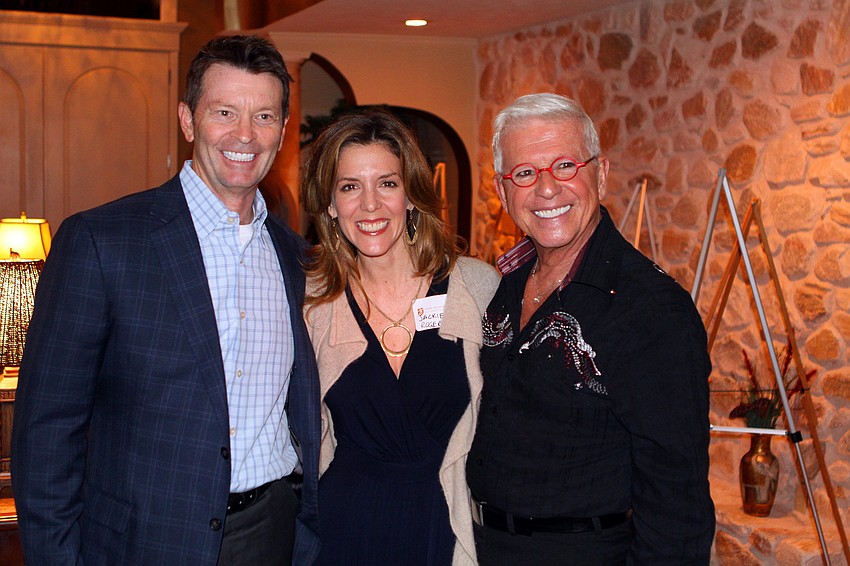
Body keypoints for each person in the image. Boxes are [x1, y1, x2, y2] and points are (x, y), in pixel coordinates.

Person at [11, 35, 321, 566]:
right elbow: (46, 429)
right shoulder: (101, 241)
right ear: (187, 120)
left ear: (283, 130)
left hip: (272, 535)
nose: (245, 135)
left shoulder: (300, 262)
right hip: (139, 542)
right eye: (225, 112)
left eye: (264, 116)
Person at [466, 93, 715, 565]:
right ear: (502, 192)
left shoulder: (650, 309)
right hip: (485, 549)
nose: (545, 189)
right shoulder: (505, 286)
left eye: (564, 166)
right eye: (524, 173)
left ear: (600, 173)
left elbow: (677, 500)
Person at [296, 108, 500, 565]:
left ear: (411, 194)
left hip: (444, 527)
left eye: (387, 183)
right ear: (330, 204)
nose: (370, 205)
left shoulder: (476, 288)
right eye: (350, 187)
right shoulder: (312, 303)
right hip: (344, 530)